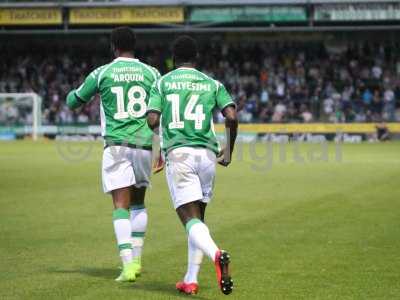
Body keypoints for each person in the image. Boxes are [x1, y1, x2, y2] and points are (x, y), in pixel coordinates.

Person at [66, 27, 160, 282]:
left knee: (121, 204)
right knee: (139, 203)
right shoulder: (152, 73)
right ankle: (138, 260)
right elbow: (160, 112)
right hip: (144, 145)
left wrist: (72, 95)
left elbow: (74, 101)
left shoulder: (102, 72)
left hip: (117, 145)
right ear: (135, 45)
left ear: (113, 46)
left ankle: (128, 265)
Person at [147, 35, 238, 295]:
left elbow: (153, 120)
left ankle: (217, 254)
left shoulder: (162, 83)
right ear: (195, 59)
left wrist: (160, 144)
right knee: (198, 220)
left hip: (180, 155)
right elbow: (231, 116)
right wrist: (229, 150)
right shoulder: (212, 83)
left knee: (189, 220)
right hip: (208, 156)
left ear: (173, 59)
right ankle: (190, 279)